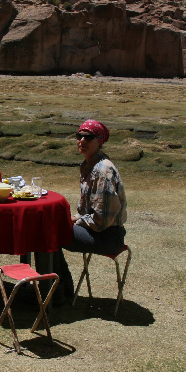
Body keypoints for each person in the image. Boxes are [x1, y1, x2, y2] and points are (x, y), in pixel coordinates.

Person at [53, 119, 127, 302]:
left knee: (49, 233)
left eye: (89, 137)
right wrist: (76, 218)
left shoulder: (103, 171)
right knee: (49, 229)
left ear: (99, 141)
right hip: (96, 231)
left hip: (108, 236)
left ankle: (57, 292)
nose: (82, 141)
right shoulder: (88, 165)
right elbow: (89, 211)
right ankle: (60, 289)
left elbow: (101, 220)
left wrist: (76, 220)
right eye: (80, 136)